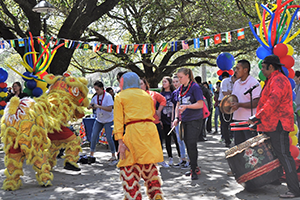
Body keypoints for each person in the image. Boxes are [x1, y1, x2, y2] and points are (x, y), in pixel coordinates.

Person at [248, 55, 300, 198]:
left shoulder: (278, 80)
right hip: (271, 124)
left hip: (278, 124)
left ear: (271, 67)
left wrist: (257, 116)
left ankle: (294, 190)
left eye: (263, 68)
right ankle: (275, 180)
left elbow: (273, 101)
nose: (262, 71)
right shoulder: (273, 79)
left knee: (284, 156)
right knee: (275, 155)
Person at [114, 72, 164, 200]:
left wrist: (120, 141)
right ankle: (156, 195)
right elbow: (152, 113)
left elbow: (118, 121)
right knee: (149, 164)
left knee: (128, 165)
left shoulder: (120, 96)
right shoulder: (146, 95)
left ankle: (133, 196)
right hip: (150, 131)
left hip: (133, 130)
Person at [172, 68, 204, 180]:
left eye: (181, 77)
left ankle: (195, 169)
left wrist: (187, 107)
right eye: (178, 77)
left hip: (195, 119)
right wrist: (176, 118)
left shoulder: (195, 87)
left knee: (191, 143)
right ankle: (192, 167)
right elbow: (177, 104)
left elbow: (200, 104)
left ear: (187, 76)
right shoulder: (181, 89)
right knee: (187, 143)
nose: (179, 79)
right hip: (184, 120)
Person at [140, 78, 169, 168]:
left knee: (158, 141)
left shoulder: (153, 94)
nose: (140, 86)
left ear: (145, 84)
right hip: (142, 123)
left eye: (141, 83)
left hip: (154, 121)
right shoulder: (136, 96)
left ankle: (160, 159)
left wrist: (159, 110)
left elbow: (163, 100)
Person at [231, 60, 261, 145]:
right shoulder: (236, 83)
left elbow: (256, 102)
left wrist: (239, 105)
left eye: (238, 68)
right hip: (237, 120)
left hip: (249, 121)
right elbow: (234, 98)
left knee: (251, 149)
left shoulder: (254, 83)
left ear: (245, 70)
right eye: (235, 68)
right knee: (238, 148)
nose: (235, 70)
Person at [87, 81, 116, 165]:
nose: (96, 91)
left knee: (109, 137)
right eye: (95, 89)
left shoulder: (108, 96)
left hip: (108, 120)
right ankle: (91, 154)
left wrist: (99, 106)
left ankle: (113, 155)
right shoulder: (95, 97)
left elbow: (110, 108)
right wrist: (90, 106)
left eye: (97, 89)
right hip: (99, 119)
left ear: (102, 88)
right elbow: (89, 106)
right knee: (94, 135)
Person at [160, 76, 181, 166]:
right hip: (164, 119)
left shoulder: (174, 93)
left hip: (173, 119)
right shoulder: (161, 94)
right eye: (162, 82)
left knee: (177, 139)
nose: (163, 83)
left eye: (165, 82)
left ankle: (181, 157)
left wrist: (174, 118)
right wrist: (160, 119)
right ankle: (170, 157)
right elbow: (158, 108)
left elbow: (175, 106)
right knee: (167, 140)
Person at [172, 75, 189, 169]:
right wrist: (175, 118)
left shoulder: (187, 90)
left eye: (177, 81)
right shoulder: (175, 93)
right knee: (179, 140)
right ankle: (182, 159)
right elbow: (175, 107)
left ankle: (190, 160)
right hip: (178, 119)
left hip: (186, 119)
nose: (175, 84)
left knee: (187, 140)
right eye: (173, 82)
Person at [218, 72, 236, 147]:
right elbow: (225, 93)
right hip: (224, 104)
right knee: (225, 123)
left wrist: (231, 93)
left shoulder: (238, 83)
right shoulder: (225, 81)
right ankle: (227, 141)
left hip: (233, 104)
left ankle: (234, 139)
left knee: (233, 122)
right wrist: (232, 93)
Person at [195, 76, 211, 141]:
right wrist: (209, 108)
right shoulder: (204, 88)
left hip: (195, 107)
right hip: (204, 108)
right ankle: (201, 136)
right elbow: (208, 99)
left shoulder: (194, 88)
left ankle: (198, 136)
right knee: (202, 123)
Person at [293, 70, 300, 145]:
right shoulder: (295, 85)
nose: (293, 77)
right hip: (294, 109)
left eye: (295, 76)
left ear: (299, 77)